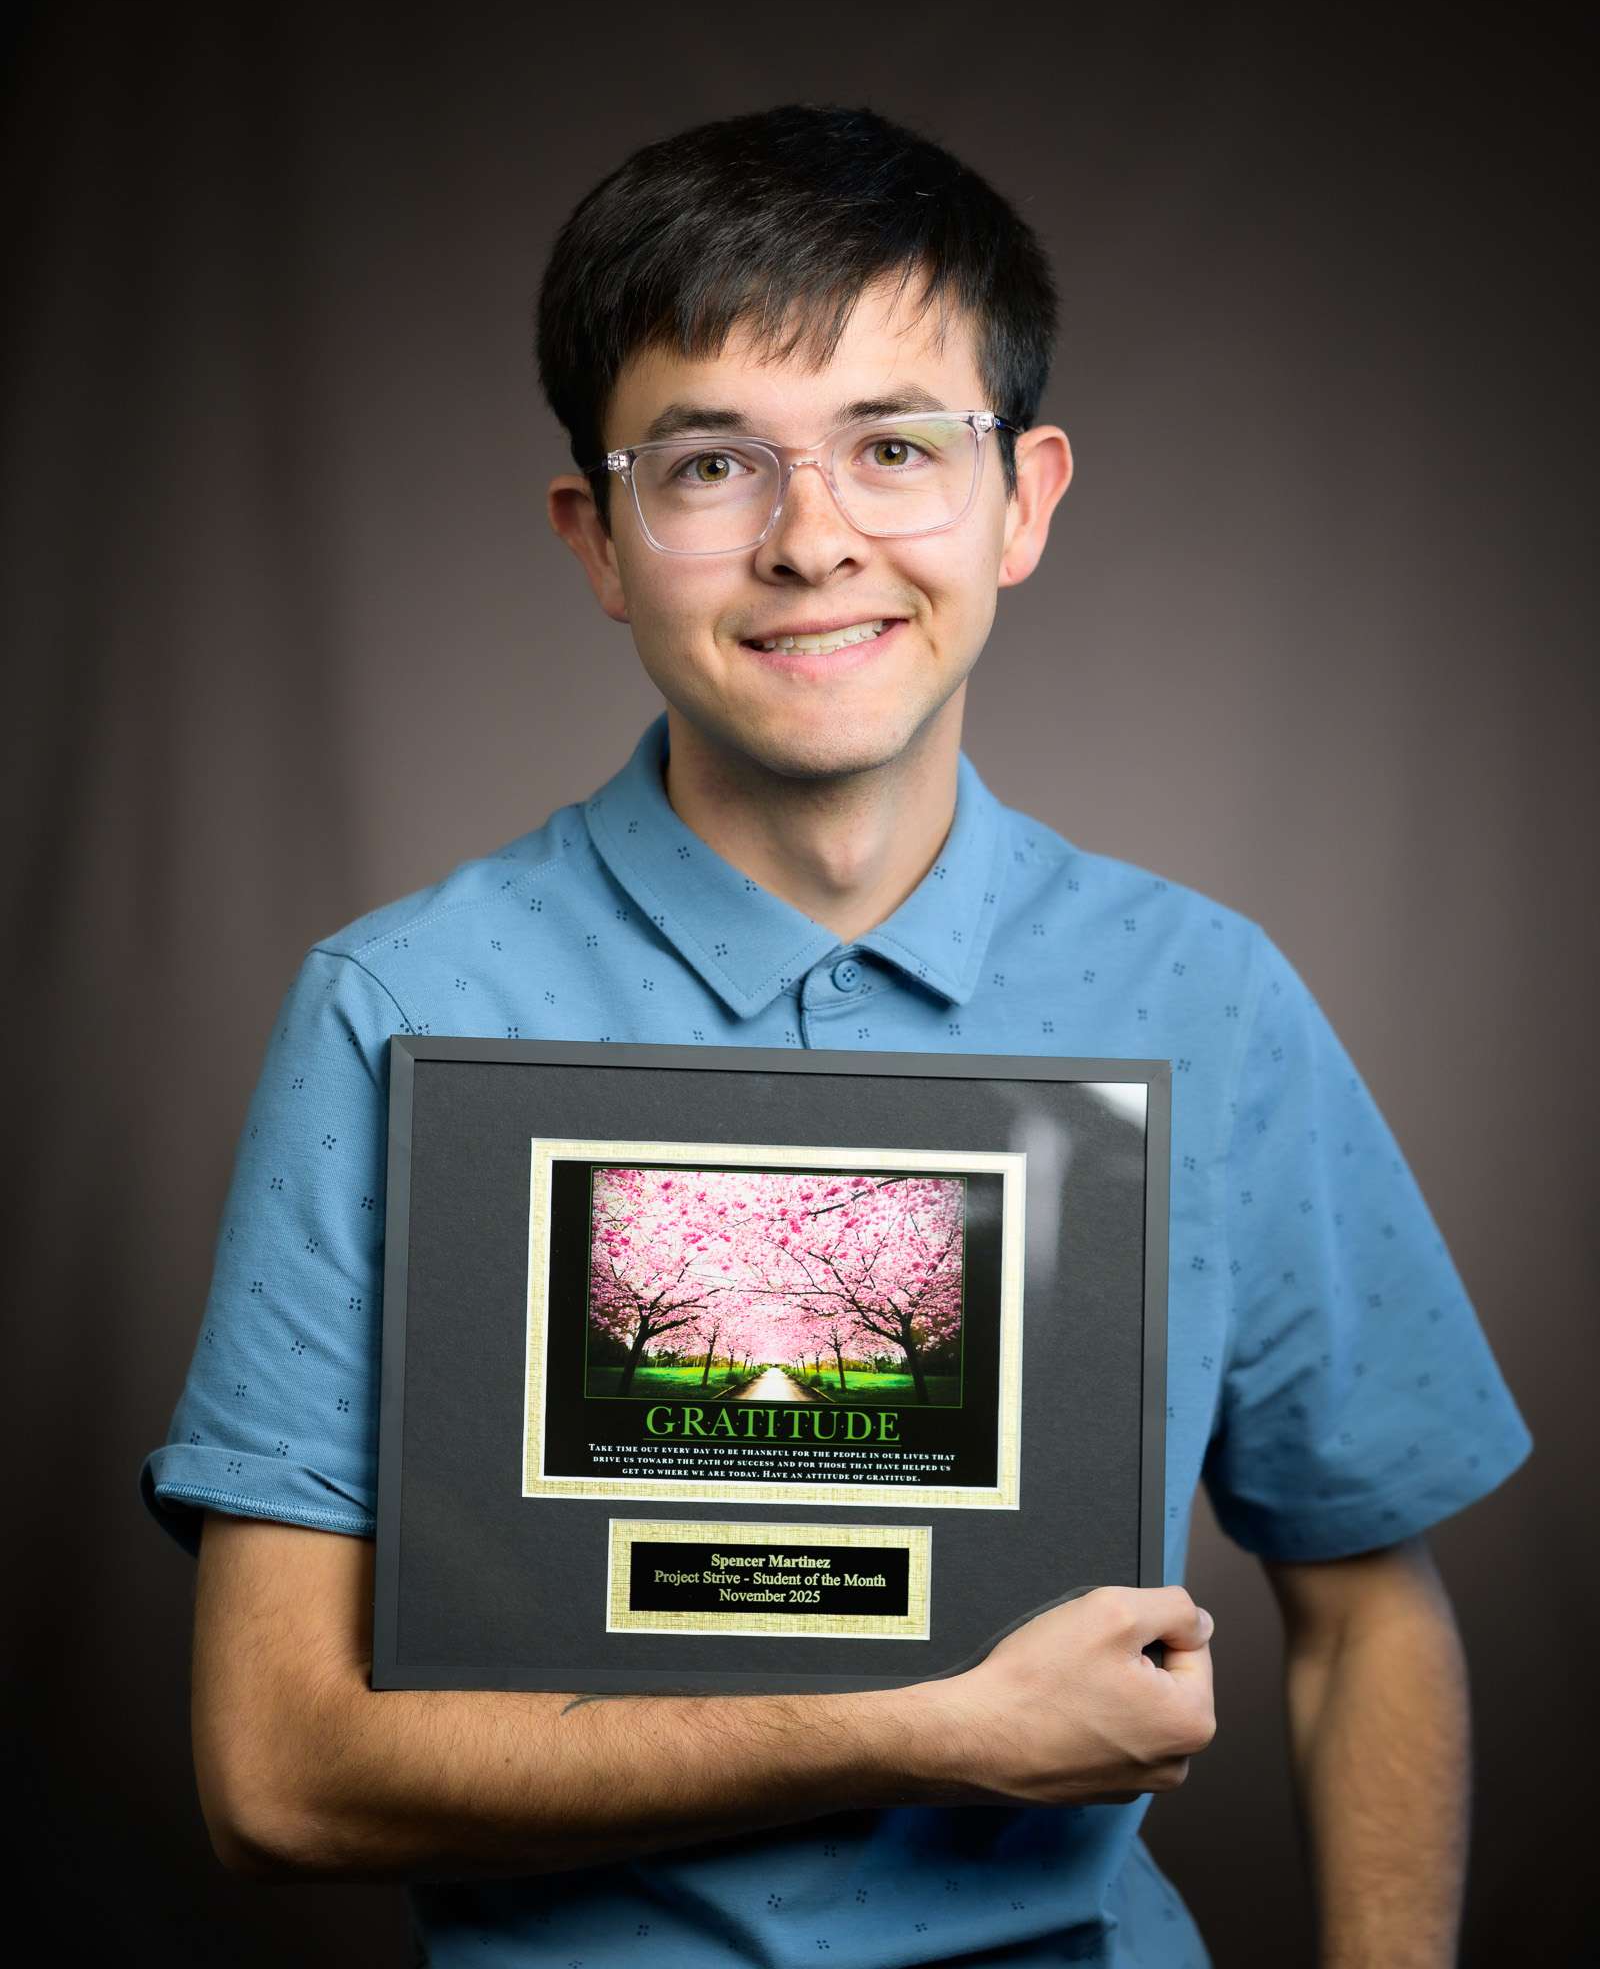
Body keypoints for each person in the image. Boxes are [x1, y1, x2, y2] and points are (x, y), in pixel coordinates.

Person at [139, 102, 1533, 1967]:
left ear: (1024, 499)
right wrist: (921, 1732)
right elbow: (276, 1777)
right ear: (601, 537)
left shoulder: (1209, 996)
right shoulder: (402, 1012)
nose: (814, 543)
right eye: (710, 464)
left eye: (895, 446)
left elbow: (1369, 1614)